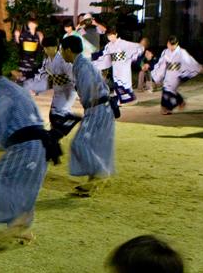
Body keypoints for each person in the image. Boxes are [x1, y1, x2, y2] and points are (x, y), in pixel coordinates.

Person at [0, 57, 60, 244]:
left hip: (27, 145)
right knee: (18, 184)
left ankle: (17, 223)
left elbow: (2, 113)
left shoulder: (2, 91)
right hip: (37, 144)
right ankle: (20, 226)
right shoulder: (10, 88)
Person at [61, 36, 115, 195]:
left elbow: (91, 89)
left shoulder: (82, 67)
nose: (61, 53)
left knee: (79, 143)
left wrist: (88, 109)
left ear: (68, 50)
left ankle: (100, 173)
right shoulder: (82, 64)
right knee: (94, 146)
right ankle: (93, 183)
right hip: (101, 107)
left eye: (62, 50)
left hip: (96, 108)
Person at [41, 36, 80, 140]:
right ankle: (54, 138)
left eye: (48, 48)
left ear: (55, 47)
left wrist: (79, 89)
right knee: (53, 116)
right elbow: (48, 73)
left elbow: (73, 75)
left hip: (67, 91)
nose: (46, 50)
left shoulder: (62, 60)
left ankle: (72, 119)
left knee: (57, 115)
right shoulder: (48, 61)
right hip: (58, 91)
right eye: (45, 48)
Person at [151, 37, 200, 115]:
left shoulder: (181, 52)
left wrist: (190, 71)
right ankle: (180, 102)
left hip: (177, 74)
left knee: (168, 90)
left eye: (171, 45)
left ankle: (168, 107)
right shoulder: (165, 52)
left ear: (176, 44)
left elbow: (189, 62)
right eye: (168, 44)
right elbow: (162, 64)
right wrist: (158, 76)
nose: (169, 46)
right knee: (169, 89)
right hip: (168, 73)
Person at [96, 28, 143, 105]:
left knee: (125, 82)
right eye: (108, 36)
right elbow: (103, 55)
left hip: (124, 66)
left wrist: (134, 57)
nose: (110, 37)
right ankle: (120, 100)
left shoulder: (123, 43)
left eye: (112, 35)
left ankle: (131, 99)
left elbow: (137, 47)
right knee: (117, 82)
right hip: (116, 67)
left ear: (116, 34)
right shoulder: (109, 45)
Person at [15, 19, 44, 89]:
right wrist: (16, 37)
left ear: (36, 25)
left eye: (33, 24)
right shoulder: (24, 34)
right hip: (25, 56)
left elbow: (40, 47)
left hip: (33, 56)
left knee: (32, 73)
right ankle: (21, 86)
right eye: (30, 24)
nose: (31, 25)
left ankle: (28, 87)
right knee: (24, 72)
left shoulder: (38, 35)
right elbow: (19, 44)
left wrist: (41, 39)